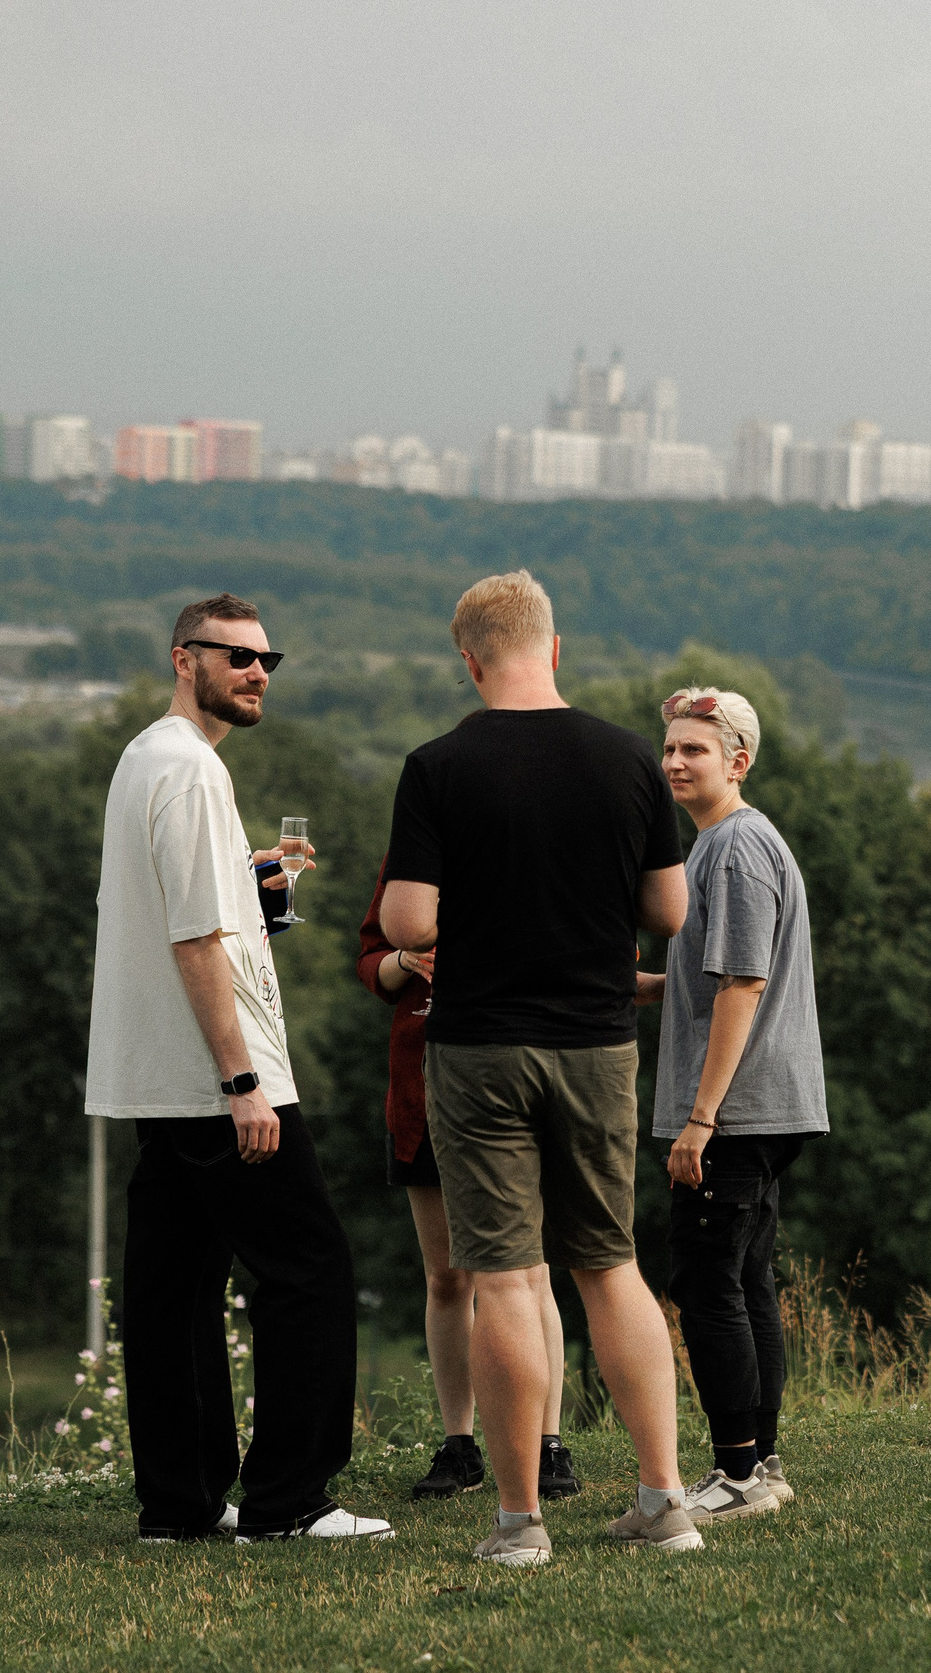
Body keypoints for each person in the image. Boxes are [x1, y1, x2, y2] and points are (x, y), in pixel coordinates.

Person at [378, 570, 698, 1567]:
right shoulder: (627, 761)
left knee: (507, 1278)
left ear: (469, 660)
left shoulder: (438, 767)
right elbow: (670, 912)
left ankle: (519, 1526)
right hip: (598, 1045)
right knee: (610, 1267)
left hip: (478, 1049)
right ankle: (664, 1500)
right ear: (552, 648)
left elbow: (405, 924)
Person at [85, 593, 390, 1545]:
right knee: (310, 1271)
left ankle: (179, 1504)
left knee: (172, 1292)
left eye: (270, 659)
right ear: (186, 659)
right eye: (239, 657)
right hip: (217, 1083)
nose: (260, 672)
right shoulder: (189, 771)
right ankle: (290, 1500)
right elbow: (191, 938)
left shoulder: (152, 759)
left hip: (159, 1078)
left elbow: (193, 909)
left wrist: (252, 884)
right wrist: (241, 1080)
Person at [642, 686, 827, 1527]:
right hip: (758, 1106)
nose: (677, 761)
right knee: (747, 1279)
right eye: (672, 747)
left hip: (738, 1111)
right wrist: (632, 985)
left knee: (706, 1280)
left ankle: (737, 1473)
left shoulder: (738, 849)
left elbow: (744, 986)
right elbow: (706, 981)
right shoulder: (717, 846)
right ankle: (763, 1461)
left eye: (696, 750)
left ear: (738, 761)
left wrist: (701, 1117)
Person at [355, 854, 579, 1503]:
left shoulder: (528, 835)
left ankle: (547, 1442)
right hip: (421, 1086)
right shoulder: (413, 855)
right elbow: (372, 960)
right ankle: (460, 1444)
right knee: (446, 1276)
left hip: (511, 1081)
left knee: (527, 1272)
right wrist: (408, 964)